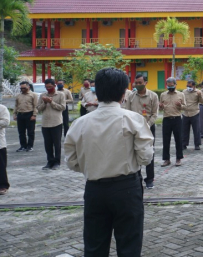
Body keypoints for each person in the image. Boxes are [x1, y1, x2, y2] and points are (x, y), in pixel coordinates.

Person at [64, 67, 154, 257]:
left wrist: (94, 165)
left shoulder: (80, 123)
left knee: (95, 246)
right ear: (123, 94)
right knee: (129, 245)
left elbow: (72, 161)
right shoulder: (134, 119)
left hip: (95, 189)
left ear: (97, 91)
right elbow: (145, 157)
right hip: (127, 188)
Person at [125, 74, 160, 189]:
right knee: (134, 152)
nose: (138, 85)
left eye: (140, 83)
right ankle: (137, 177)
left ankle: (149, 179)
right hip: (134, 129)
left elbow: (155, 114)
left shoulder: (153, 96)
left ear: (146, 82)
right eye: (136, 83)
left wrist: (148, 125)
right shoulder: (131, 96)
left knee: (149, 152)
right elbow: (127, 112)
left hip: (148, 128)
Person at [37, 78, 66, 170]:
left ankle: (57, 162)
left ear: (54, 86)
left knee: (57, 144)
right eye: (46, 87)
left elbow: (62, 107)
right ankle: (50, 161)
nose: (48, 88)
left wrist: (51, 102)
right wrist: (45, 102)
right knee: (47, 144)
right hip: (45, 123)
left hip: (56, 122)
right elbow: (38, 108)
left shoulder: (60, 94)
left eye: (50, 87)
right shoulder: (42, 95)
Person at [160, 77, 185, 167]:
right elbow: (160, 107)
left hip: (177, 119)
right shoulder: (163, 95)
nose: (170, 87)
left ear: (175, 85)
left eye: (172, 85)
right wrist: (160, 106)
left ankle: (178, 159)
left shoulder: (181, 94)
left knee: (178, 139)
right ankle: (166, 159)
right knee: (166, 140)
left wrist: (180, 105)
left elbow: (185, 107)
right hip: (166, 119)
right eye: (168, 85)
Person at [13, 81, 37, 152]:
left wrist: (34, 115)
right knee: (21, 132)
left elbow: (35, 106)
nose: (22, 89)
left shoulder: (33, 95)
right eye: (21, 88)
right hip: (20, 114)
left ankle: (30, 146)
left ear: (28, 87)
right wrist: (14, 114)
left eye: (24, 87)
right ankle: (23, 146)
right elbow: (16, 105)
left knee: (30, 132)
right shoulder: (18, 95)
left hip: (29, 114)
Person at [182, 80, 203, 151]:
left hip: (195, 113)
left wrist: (199, 95)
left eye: (190, 86)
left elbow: (201, 101)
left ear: (194, 86)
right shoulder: (184, 92)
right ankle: (184, 144)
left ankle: (197, 145)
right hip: (185, 113)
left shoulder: (198, 92)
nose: (188, 87)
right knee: (184, 130)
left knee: (196, 130)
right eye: (187, 86)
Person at [0, 104, 10, 195]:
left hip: (0, 143)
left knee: (1, 166)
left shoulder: (2, 108)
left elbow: (6, 122)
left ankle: (3, 186)